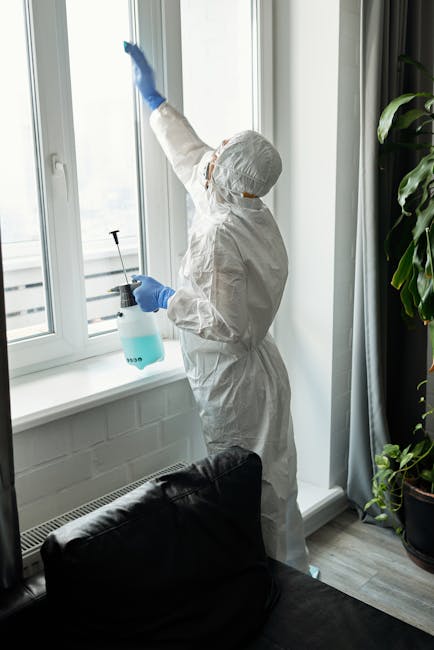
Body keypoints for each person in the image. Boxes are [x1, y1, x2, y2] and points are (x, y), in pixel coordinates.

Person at [124, 41, 309, 574]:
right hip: (258, 370)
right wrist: (155, 101)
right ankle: (289, 570)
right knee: (275, 474)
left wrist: (166, 299)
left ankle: (273, 585)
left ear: (228, 176)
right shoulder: (250, 209)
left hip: (234, 381)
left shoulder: (220, 233)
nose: (216, 148)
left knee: (250, 482)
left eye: (224, 148)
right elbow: (195, 158)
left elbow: (226, 323)